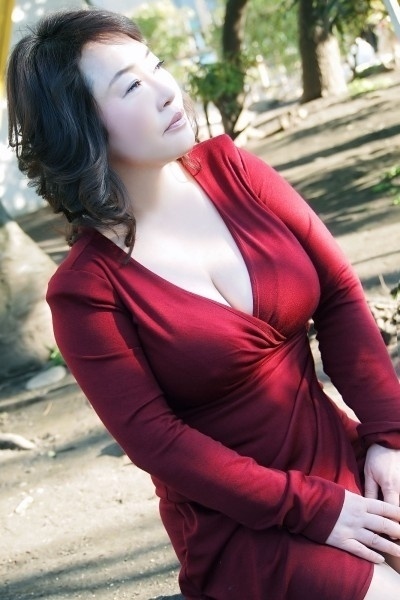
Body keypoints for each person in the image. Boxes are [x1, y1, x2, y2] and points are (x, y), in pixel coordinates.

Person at [6, 8, 400, 600]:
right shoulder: (85, 292)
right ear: (79, 128)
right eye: (132, 87)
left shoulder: (235, 170)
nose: (168, 89)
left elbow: (339, 294)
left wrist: (388, 438)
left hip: (342, 458)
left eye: (158, 66)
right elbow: (157, 442)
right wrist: (314, 509)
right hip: (243, 522)